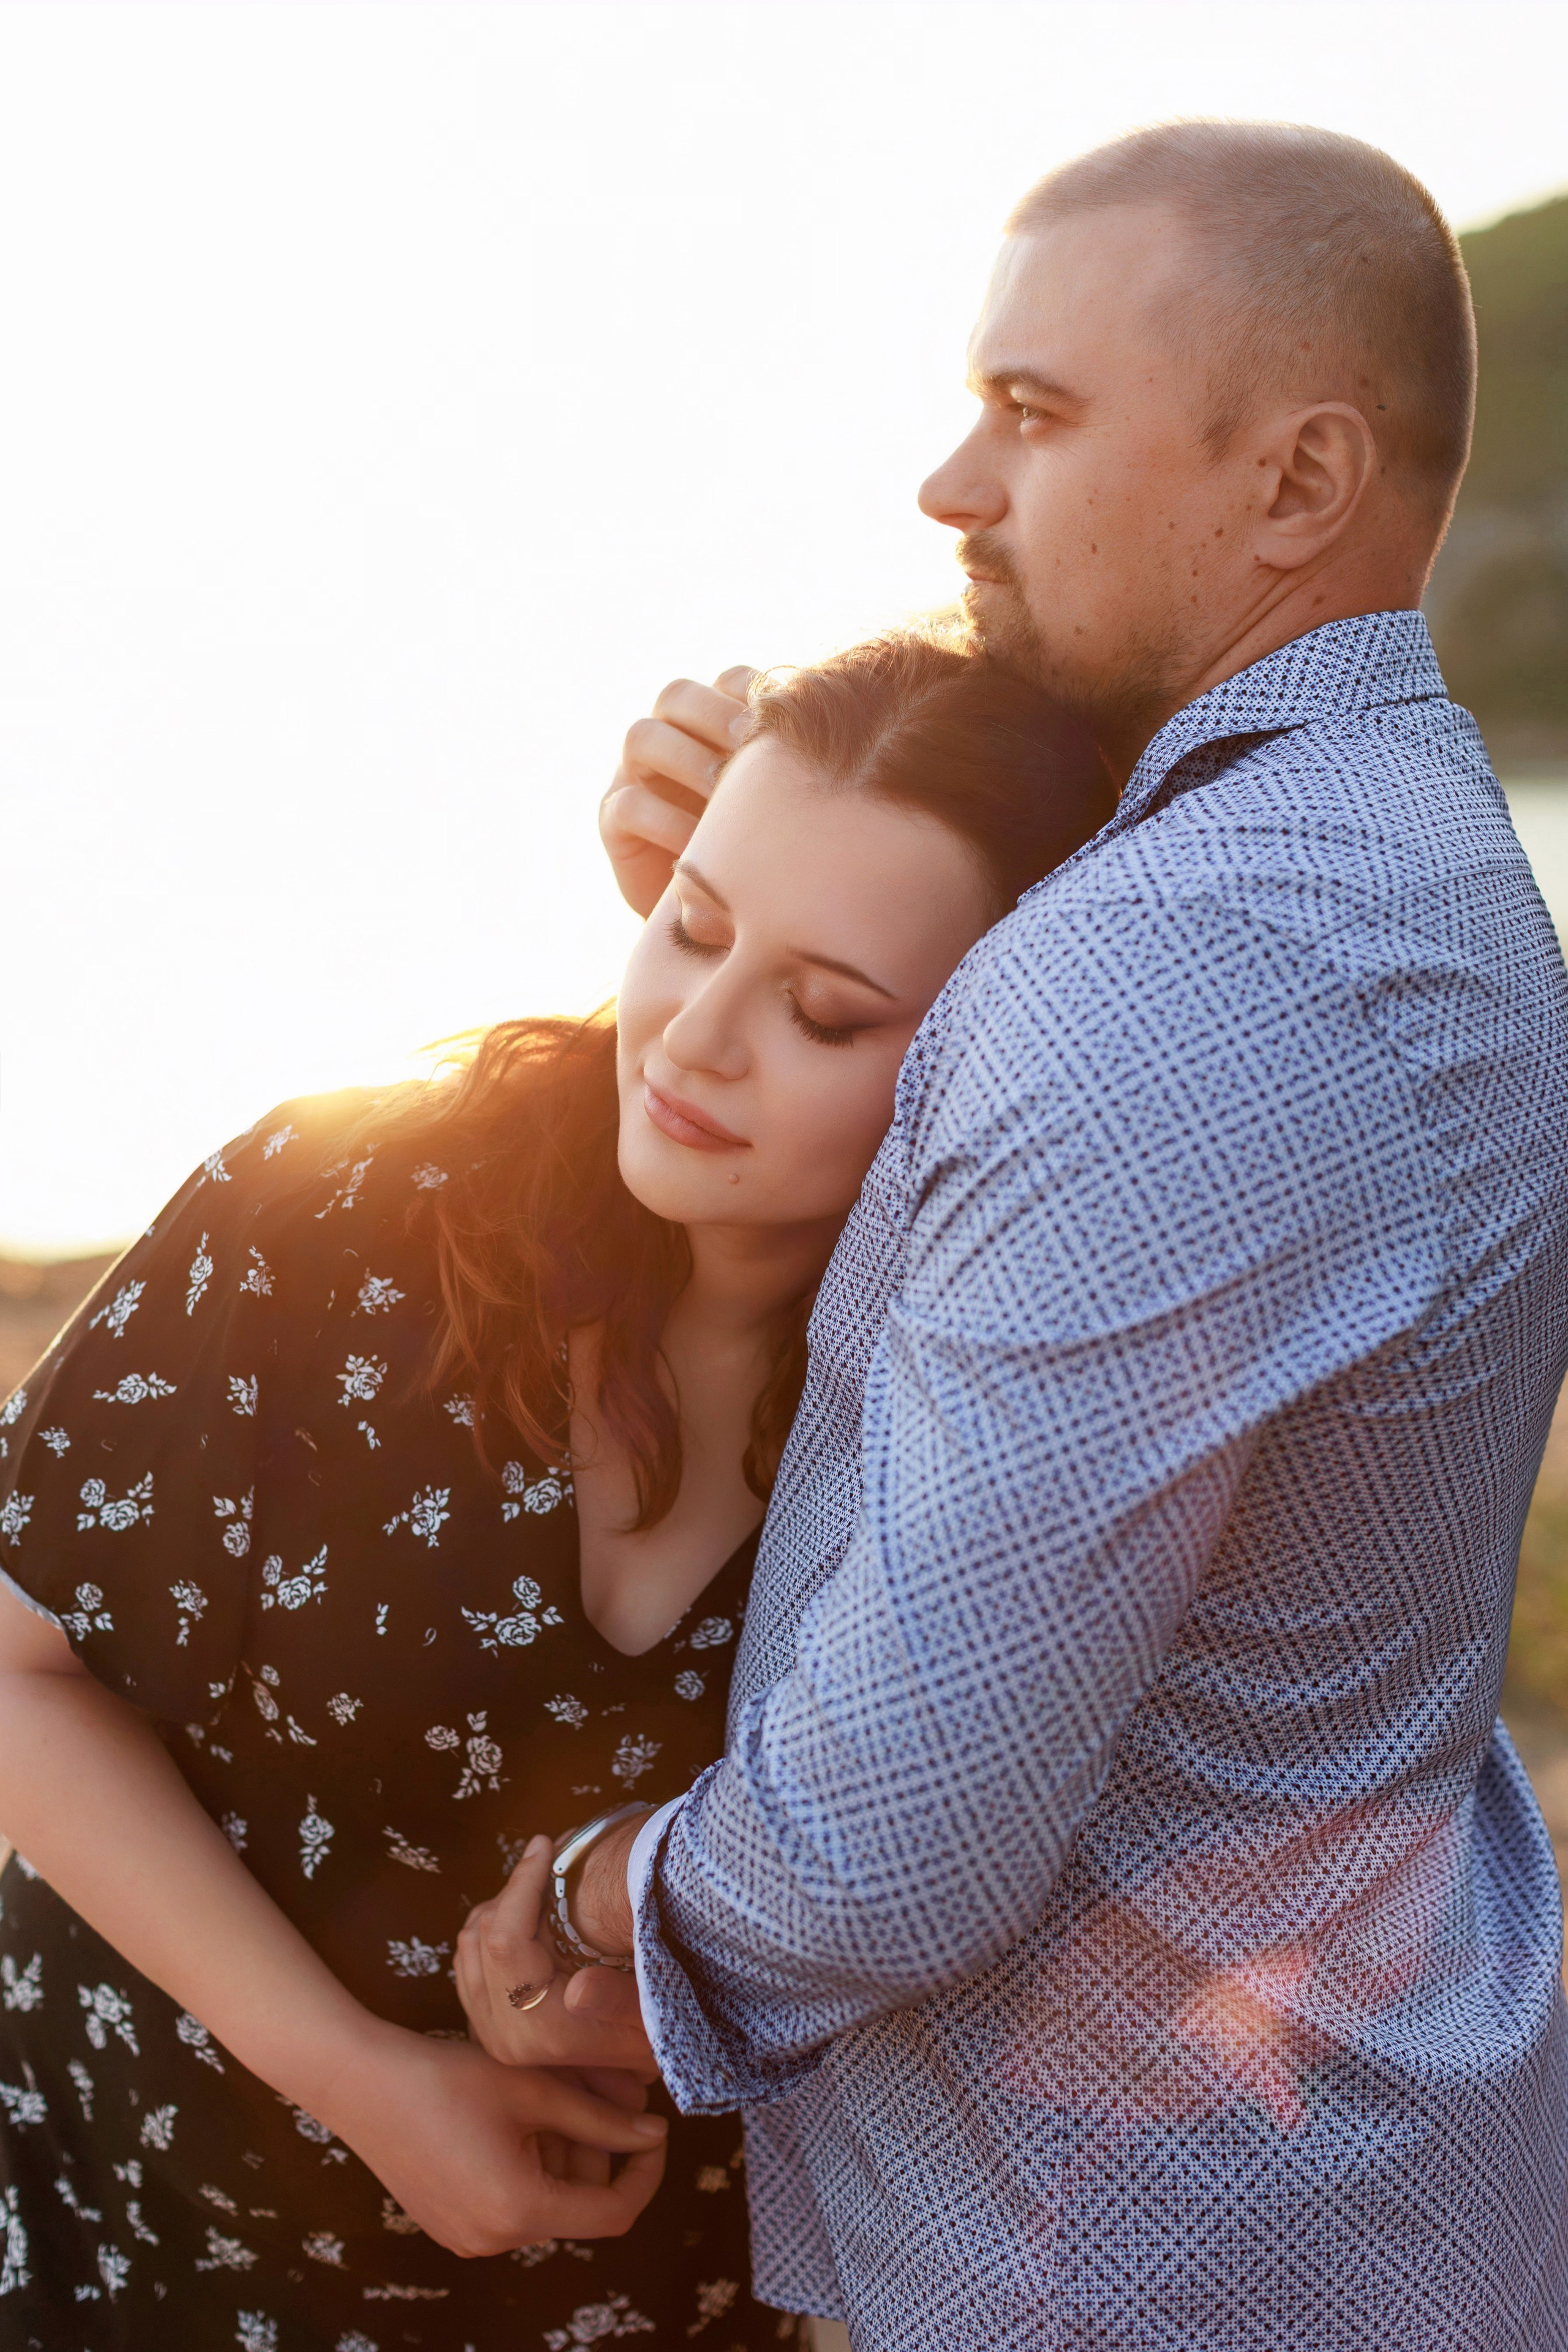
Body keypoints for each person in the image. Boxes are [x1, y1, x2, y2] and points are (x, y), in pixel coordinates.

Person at [467, 121, 1568, 2350]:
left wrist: (607, 1907)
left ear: (1295, 482)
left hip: (1114, 2264)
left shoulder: (1189, 966)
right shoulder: (1401, 858)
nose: (948, 486)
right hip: (1329, 2191)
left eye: (1035, 416)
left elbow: (901, 1828)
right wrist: (750, 896)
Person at [0, 634, 1110, 2346]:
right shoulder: (341, 1206)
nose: (695, 1038)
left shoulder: (979, 1415)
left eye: (824, 1011)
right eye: (693, 923)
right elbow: (19, 1671)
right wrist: (365, 2078)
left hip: (657, 2308)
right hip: (132, 2242)